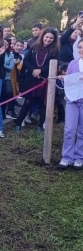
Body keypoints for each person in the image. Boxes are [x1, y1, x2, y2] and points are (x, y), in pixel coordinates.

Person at [14, 27, 60, 133]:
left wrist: (41, 70)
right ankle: (18, 123)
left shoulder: (55, 51)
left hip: (44, 80)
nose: (48, 39)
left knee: (43, 103)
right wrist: (33, 70)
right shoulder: (34, 47)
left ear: (54, 39)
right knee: (27, 102)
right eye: (46, 37)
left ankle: (40, 126)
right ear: (43, 36)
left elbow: (54, 64)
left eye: (51, 38)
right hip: (32, 79)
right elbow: (26, 61)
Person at [58, 39, 83, 170]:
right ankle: (67, 157)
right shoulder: (73, 63)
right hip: (72, 100)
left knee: (82, 130)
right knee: (69, 129)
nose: (81, 50)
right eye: (79, 47)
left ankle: (79, 157)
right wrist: (64, 78)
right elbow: (69, 81)